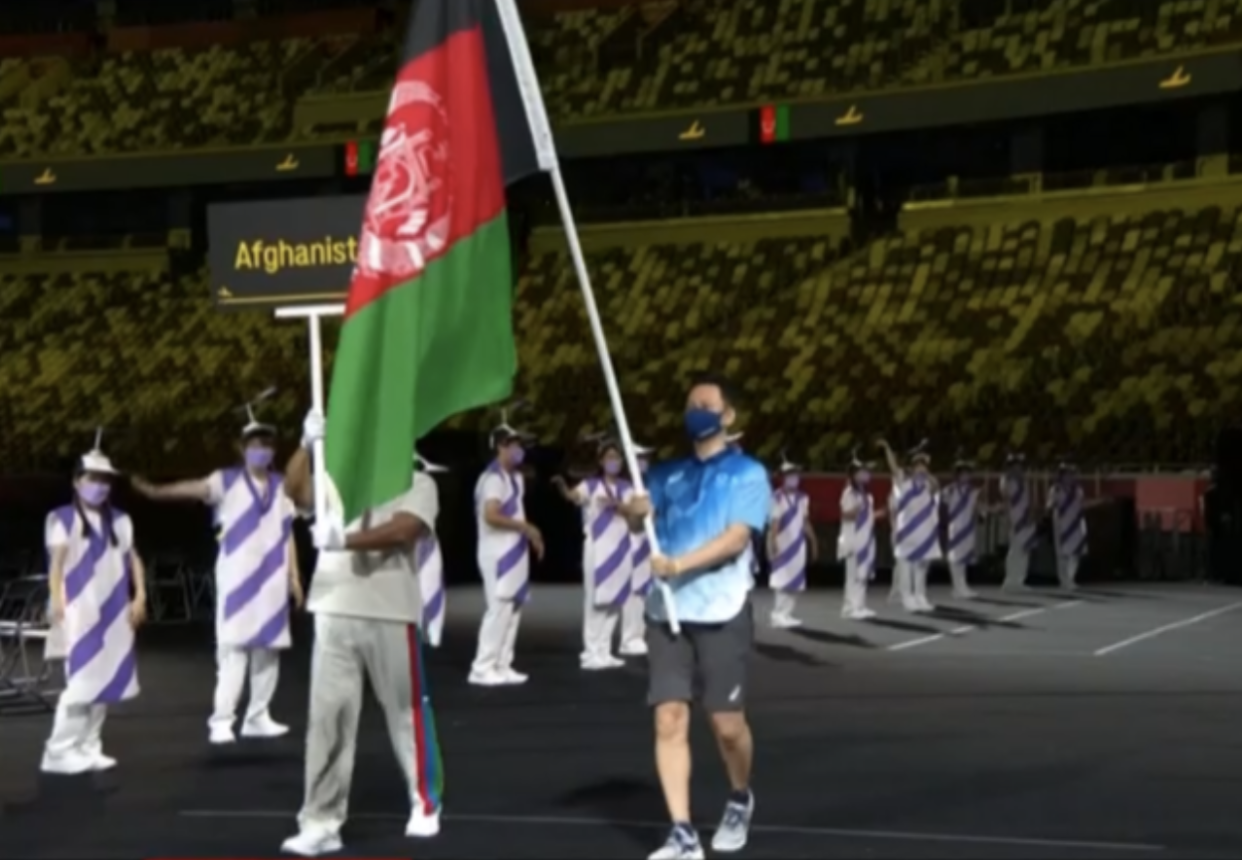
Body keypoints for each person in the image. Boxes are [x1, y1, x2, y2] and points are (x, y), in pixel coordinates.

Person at [280, 411, 443, 857]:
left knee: (406, 713)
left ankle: (425, 801)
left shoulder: (419, 481)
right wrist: (304, 446)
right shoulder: (337, 480)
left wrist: (345, 541)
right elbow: (293, 492)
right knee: (327, 720)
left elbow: (406, 530)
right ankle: (320, 821)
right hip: (333, 607)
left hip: (390, 610)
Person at [624, 372, 767, 860]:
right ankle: (682, 833)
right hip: (666, 611)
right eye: (689, 403)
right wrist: (633, 511)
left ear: (727, 415)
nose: (695, 411)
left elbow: (736, 539)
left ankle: (740, 796)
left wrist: (681, 564)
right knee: (668, 719)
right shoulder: (665, 475)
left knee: (727, 726)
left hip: (722, 609)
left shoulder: (749, 474)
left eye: (705, 403)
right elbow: (641, 521)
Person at [133, 405, 301, 744]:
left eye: (267, 445)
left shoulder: (283, 486)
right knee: (234, 649)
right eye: (254, 444)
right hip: (237, 578)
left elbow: (288, 533)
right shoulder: (225, 481)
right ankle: (222, 720)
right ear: (241, 449)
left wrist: (295, 578)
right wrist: (155, 492)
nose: (262, 450)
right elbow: (191, 488)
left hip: (272, 579)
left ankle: (258, 715)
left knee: (269, 649)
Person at [41, 440, 147, 775]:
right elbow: (56, 565)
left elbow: (134, 559)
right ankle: (57, 752)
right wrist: (57, 599)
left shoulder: (121, 520)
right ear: (76, 480)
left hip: (115, 612)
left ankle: (89, 746)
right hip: (80, 613)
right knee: (82, 684)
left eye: (105, 480)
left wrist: (141, 595)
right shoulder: (62, 518)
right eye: (92, 478)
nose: (99, 486)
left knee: (107, 679)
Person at [552, 435, 645, 670]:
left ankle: (604, 649)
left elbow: (636, 514)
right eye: (610, 457)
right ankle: (591, 651)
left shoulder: (627, 488)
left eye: (617, 457)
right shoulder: (591, 485)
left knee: (616, 600)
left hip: (621, 548)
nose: (614, 461)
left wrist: (619, 506)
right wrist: (563, 486)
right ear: (602, 461)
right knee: (596, 601)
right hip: (597, 548)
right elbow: (573, 496)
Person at [469, 420, 544, 687]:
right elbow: (491, 515)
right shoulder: (491, 479)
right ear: (501, 446)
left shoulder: (515, 478)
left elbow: (516, 514)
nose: (520, 449)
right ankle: (482, 667)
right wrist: (525, 527)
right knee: (499, 608)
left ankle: (502, 663)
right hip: (497, 553)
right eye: (515, 444)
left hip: (514, 551)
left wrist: (528, 534)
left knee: (513, 608)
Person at [879, 439, 939, 613]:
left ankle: (920, 595)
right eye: (918, 465)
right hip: (906, 532)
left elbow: (936, 486)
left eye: (924, 465)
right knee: (906, 566)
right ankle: (907, 597)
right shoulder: (902, 483)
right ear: (911, 468)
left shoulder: (928, 484)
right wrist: (887, 448)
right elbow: (893, 466)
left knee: (921, 566)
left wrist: (926, 473)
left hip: (925, 533)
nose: (922, 468)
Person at [766, 453, 816, 629]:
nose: (794, 478)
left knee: (796, 579)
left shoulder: (803, 497)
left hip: (798, 544)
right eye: (789, 475)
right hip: (782, 543)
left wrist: (813, 541)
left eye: (795, 474)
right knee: (782, 579)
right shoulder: (777, 497)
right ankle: (777, 614)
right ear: (783, 478)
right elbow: (774, 522)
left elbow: (805, 521)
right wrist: (774, 543)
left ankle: (787, 613)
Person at [620, 443, 655, 656]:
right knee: (632, 594)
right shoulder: (625, 490)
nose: (644, 462)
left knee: (643, 593)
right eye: (640, 458)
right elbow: (632, 522)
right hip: (631, 544)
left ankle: (639, 635)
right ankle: (628, 637)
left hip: (647, 545)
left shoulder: (648, 489)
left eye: (646, 458)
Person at [838, 449, 879, 620]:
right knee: (853, 574)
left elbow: (867, 516)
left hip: (866, 538)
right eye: (863, 471)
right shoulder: (849, 493)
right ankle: (849, 608)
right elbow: (845, 514)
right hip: (853, 539)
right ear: (854, 474)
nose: (867, 474)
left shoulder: (867, 496)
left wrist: (877, 514)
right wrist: (857, 510)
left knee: (863, 574)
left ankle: (860, 605)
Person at [1047, 458, 1097, 591]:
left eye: (1072, 473)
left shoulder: (1078, 490)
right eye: (1067, 473)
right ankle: (1064, 580)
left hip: (1075, 521)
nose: (1070, 476)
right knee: (1062, 552)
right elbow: (1050, 505)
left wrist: (1097, 502)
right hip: (1060, 521)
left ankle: (1070, 578)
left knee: (1075, 551)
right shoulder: (1055, 489)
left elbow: (1082, 504)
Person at [414, 452, 448, 648]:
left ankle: (427, 632)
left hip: (425, 545)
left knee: (428, 589)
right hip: (411, 549)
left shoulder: (425, 488)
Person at [941, 453, 982, 599]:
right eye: (963, 473)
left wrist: (985, 512)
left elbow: (977, 508)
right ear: (957, 475)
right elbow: (943, 508)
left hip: (968, 526)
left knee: (964, 556)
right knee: (955, 557)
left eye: (968, 473)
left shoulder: (974, 491)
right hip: (955, 525)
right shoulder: (949, 490)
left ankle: (963, 585)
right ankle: (957, 587)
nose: (966, 476)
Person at [1000, 452, 1038, 591]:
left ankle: (1020, 580)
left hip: (1025, 517)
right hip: (1014, 518)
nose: (1018, 468)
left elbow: (1029, 500)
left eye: (1020, 465)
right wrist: (1008, 519)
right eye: (1015, 465)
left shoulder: (1024, 481)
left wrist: (1031, 514)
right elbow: (1006, 500)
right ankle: (1010, 580)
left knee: (1024, 549)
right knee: (1014, 549)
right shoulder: (1006, 480)